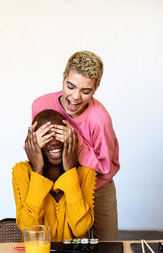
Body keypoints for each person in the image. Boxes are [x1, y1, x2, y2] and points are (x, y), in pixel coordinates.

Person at [31, 51, 120, 240]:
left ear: (95, 89)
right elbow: (37, 150)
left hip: (98, 188)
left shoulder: (99, 120)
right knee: (57, 246)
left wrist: (76, 143)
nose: (76, 97)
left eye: (86, 91)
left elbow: (106, 167)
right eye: (70, 86)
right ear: (63, 78)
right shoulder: (41, 104)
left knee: (107, 246)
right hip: (59, 186)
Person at [12, 110, 96, 242]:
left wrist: (70, 171)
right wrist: (38, 170)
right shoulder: (22, 171)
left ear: (71, 137)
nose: (54, 142)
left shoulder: (86, 173)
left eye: (58, 133)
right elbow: (28, 228)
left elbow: (81, 228)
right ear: (32, 142)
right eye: (46, 135)